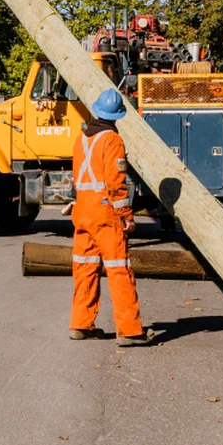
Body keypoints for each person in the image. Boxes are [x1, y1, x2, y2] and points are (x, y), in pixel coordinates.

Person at [69, 89, 152, 345]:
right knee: (118, 270)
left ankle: (81, 324)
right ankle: (129, 331)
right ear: (116, 117)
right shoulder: (112, 140)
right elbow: (116, 185)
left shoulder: (82, 138)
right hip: (104, 212)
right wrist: (126, 215)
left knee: (85, 267)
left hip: (82, 210)